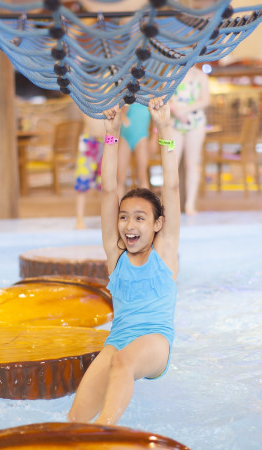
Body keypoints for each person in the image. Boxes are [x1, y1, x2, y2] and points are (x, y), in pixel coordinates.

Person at [67, 97, 180, 425]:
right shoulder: (115, 254)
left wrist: (165, 129)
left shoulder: (165, 252)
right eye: (125, 217)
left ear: (157, 225)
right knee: (74, 420)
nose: (130, 225)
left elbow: (170, 186)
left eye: (141, 218)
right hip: (117, 339)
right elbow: (108, 190)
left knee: (123, 363)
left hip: (155, 341)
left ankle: (106, 434)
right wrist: (112, 135)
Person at [169, 65, 209, 215]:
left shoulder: (200, 76)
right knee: (171, 164)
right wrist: (177, 112)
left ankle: (190, 204)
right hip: (174, 123)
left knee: (192, 163)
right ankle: (171, 204)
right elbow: (165, 98)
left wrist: (183, 110)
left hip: (195, 122)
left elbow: (205, 100)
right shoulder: (171, 74)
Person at [74, 114, 106, 229]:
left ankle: (107, 219)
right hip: (88, 140)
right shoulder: (88, 97)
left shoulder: (110, 97)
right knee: (83, 180)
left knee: (106, 183)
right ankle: (79, 219)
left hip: (107, 140)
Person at [118, 103, 152, 190]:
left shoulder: (150, 95)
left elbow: (156, 119)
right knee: (120, 178)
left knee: (142, 175)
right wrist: (123, 114)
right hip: (124, 137)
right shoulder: (127, 94)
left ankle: (145, 203)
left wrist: (154, 139)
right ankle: (117, 203)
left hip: (142, 138)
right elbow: (120, 113)